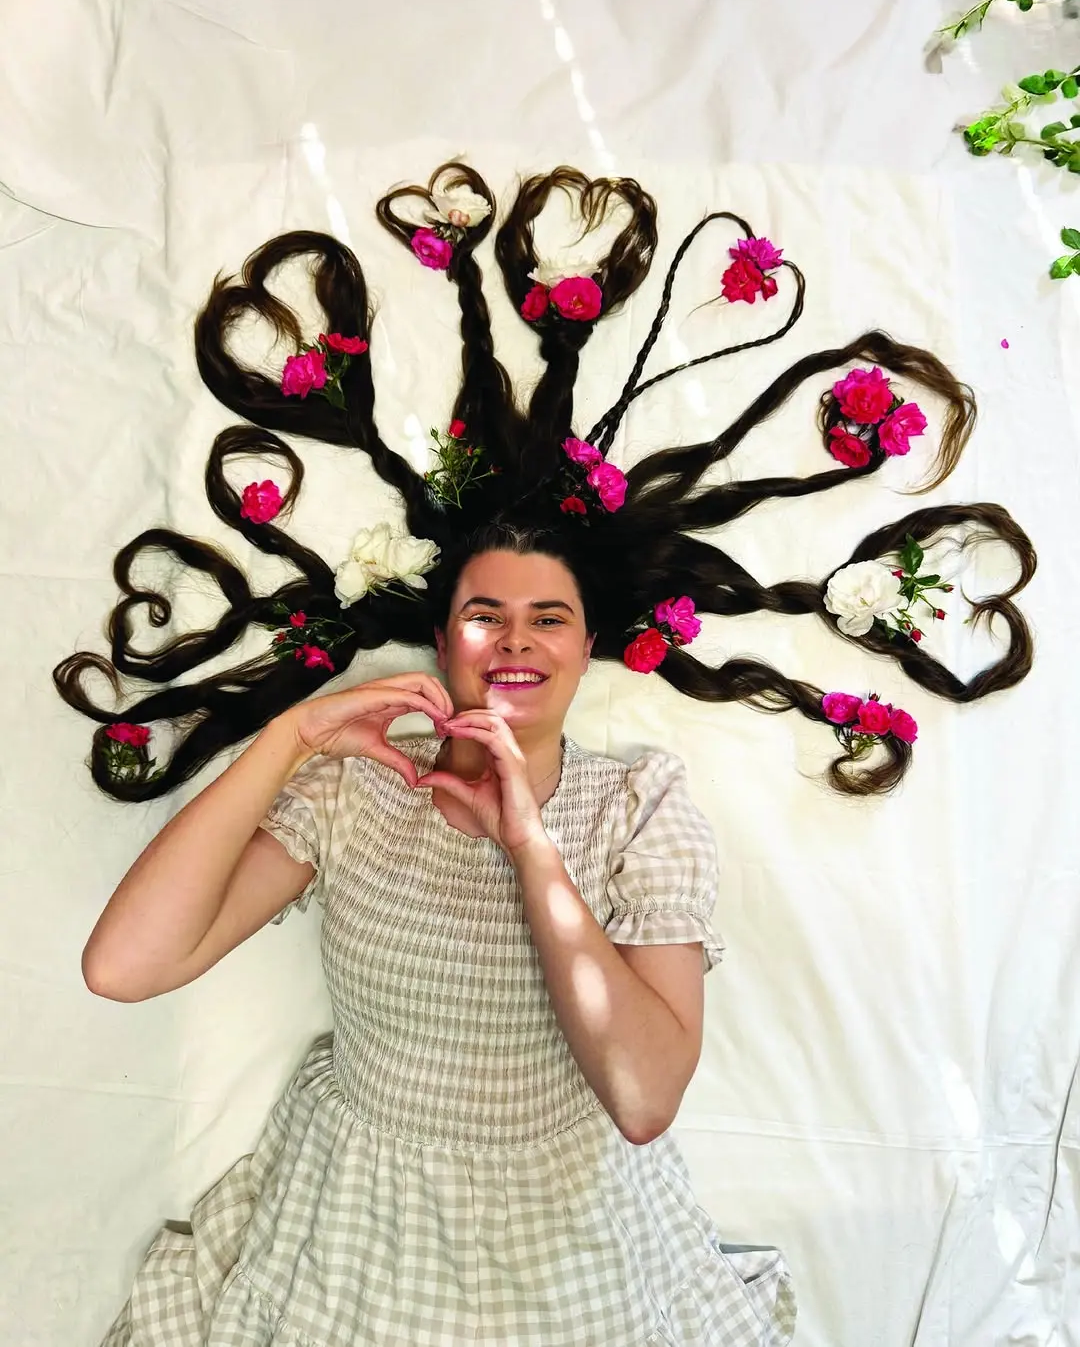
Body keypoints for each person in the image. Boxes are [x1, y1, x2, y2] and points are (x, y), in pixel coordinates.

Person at [57, 161, 1036, 1344]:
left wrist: (531, 844)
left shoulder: (638, 802)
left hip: (575, 1218)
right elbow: (124, 967)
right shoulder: (358, 788)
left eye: (549, 618)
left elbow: (642, 1097)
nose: (515, 641)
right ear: (440, 636)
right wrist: (295, 731)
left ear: (588, 650)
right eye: (485, 614)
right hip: (364, 1207)